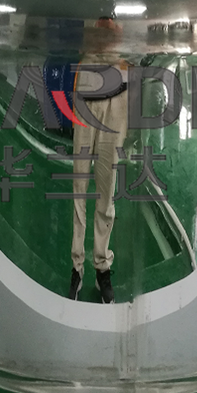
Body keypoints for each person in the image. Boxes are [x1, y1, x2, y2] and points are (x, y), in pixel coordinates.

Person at [69, 17, 129, 304]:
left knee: (107, 187)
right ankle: (76, 266)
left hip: (118, 81)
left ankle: (102, 266)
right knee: (79, 184)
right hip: (89, 76)